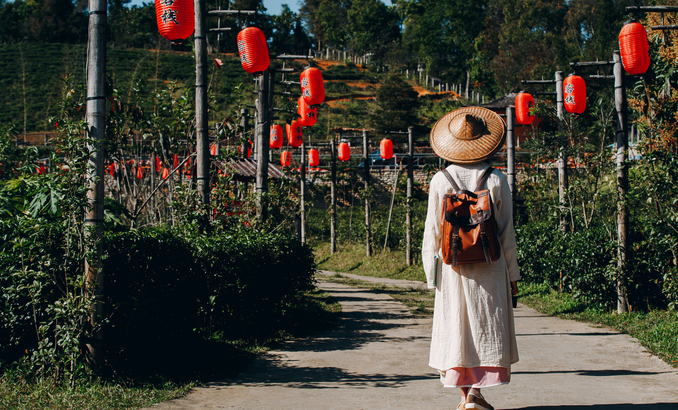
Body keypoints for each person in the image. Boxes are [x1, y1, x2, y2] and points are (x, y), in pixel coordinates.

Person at [422, 106, 520, 410]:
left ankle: (464, 397)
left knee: (456, 327)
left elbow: (432, 232)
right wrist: (513, 276)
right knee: (485, 325)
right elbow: (506, 232)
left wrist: (431, 275)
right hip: (490, 266)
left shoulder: (440, 180)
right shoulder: (496, 179)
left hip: (452, 267)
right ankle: (477, 393)